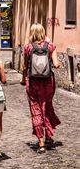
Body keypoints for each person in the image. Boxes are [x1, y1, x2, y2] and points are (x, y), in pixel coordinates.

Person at [20, 23, 61, 154]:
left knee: (36, 111)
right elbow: (56, 64)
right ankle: (49, 136)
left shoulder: (27, 48)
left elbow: (25, 67)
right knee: (47, 107)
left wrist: (23, 79)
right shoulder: (50, 46)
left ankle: (41, 143)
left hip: (33, 83)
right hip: (48, 83)